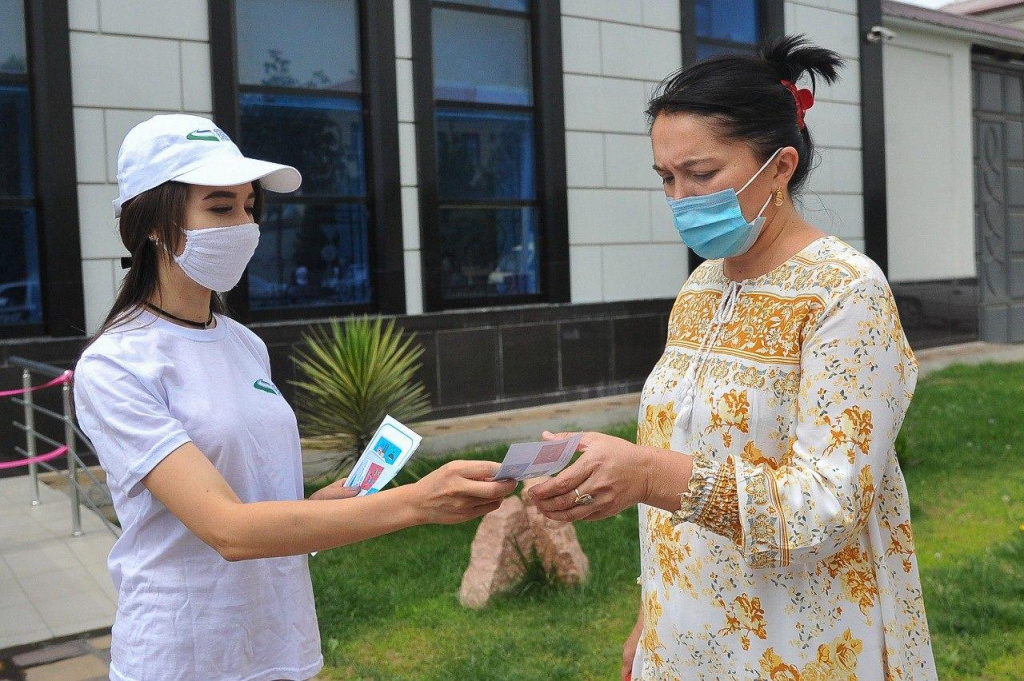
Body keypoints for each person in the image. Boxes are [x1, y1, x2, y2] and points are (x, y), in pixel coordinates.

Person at [529, 36, 937, 679]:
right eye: (666, 178)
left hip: (803, 642)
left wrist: (645, 475)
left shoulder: (846, 293)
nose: (681, 197)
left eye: (702, 174)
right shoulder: (701, 287)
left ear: (779, 166)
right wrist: (651, 614)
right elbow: (684, 454)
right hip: (689, 637)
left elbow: (825, 507)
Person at [72, 114, 516, 681]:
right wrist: (419, 503)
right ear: (153, 223)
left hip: (280, 646)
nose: (244, 224)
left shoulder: (244, 345)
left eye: (249, 206)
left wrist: (332, 502)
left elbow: (257, 497)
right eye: (219, 207)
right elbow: (229, 529)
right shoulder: (116, 365)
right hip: (186, 657)